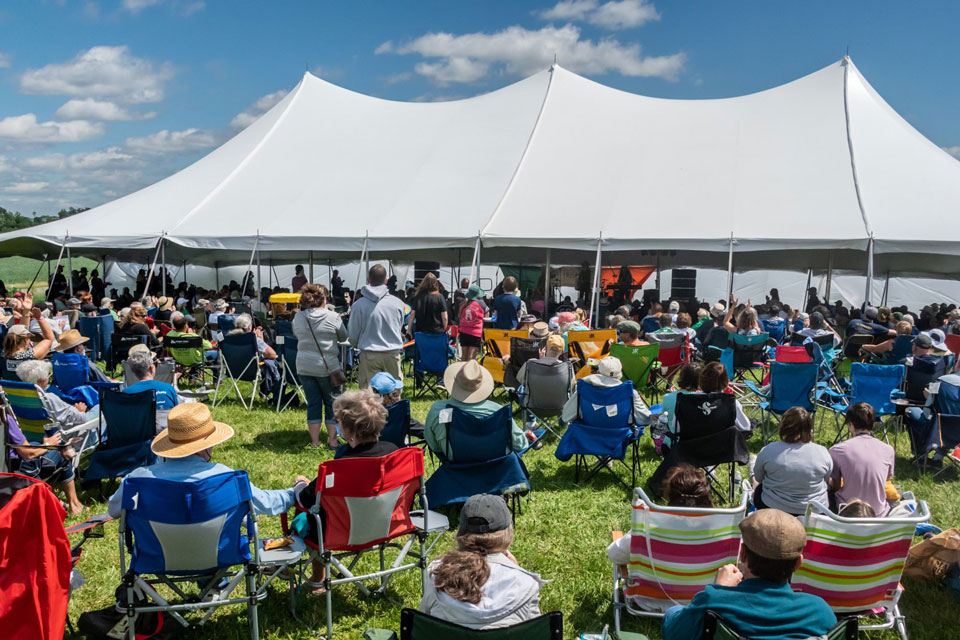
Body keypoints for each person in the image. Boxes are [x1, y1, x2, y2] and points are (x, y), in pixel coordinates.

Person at [661, 509, 836, 640]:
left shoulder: (713, 602)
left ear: (742, 554)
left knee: (674, 612)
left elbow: (674, 633)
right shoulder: (819, 611)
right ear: (798, 563)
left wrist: (719, 589)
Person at [108, 403, 301, 519]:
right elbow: (266, 504)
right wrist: (297, 491)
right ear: (206, 446)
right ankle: (218, 585)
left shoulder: (137, 480)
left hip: (155, 556)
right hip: (218, 555)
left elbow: (114, 509)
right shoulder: (226, 478)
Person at [294, 389, 399, 586]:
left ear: (349, 430)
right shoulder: (394, 453)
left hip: (340, 532)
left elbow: (307, 500)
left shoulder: (340, 466)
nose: (337, 424)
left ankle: (318, 577)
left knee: (307, 515)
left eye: (338, 421)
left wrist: (300, 484)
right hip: (386, 524)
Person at [420, 493, 544, 629]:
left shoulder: (436, 574)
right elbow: (537, 632)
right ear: (508, 534)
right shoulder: (526, 585)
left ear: (460, 533)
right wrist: (516, 571)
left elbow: (421, 625)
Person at [606, 464, 713, 569]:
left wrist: (634, 531)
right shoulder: (721, 533)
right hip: (706, 587)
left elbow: (615, 555)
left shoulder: (649, 528)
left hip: (652, 587)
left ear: (669, 496)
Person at [425, 360, 527, 461]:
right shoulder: (499, 411)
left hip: (457, 469)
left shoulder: (438, 410)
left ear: (454, 383)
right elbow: (521, 444)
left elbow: (434, 445)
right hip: (497, 470)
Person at [292, 284, 347, 449]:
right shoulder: (333, 317)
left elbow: (297, 334)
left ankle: (315, 442)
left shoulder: (298, 317)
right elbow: (343, 336)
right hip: (327, 367)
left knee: (313, 403)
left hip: (303, 366)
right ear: (324, 299)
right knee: (332, 404)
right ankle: (332, 441)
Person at [752, 408, 832, 516]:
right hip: (814, 512)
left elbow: (759, 478)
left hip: (772, 508)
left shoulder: (768, 450)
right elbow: (826, 479)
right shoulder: (823, 452)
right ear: (810, 429)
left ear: (783, 427)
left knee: (757, 485)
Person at [828, 402, 895, 516]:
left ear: (851, 424)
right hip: (879, 513)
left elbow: (836, 485)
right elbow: (887, 479)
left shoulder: (837, 450)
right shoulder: (888, 449)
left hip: (847, 512)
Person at [347, 264, 407, 388]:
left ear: (368, 279)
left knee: (368, 397)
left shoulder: (358, 305)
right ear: (386, 280)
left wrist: (355, 344)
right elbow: (399, 326)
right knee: (393, 394)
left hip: (369, 353)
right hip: (392, 353)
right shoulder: (398, 303)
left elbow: (352, 334)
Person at [561, 356, 651, 427]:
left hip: (588, 435)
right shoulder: (629, 392)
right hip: (619, 437)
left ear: (598, 371)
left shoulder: (584, 388)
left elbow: (566, 416)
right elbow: (644, 419)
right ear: (620, 374)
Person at [229, 313, 280, 397]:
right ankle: (270, 392)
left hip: (233, 370)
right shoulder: (254, 340)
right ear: (249, 326)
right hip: (251, 371)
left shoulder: (229, 338)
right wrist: (260, 340)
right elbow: (272, 354)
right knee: (271, 361)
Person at [655, 362, 702, 453]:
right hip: (695, 444)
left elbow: (662, 419)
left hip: (673, 442)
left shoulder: (668, 397)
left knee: (656, 419)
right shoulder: (702, 399)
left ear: (681, 376)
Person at [697, 362, 751, 432]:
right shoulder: (731, 402)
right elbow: (745, 427)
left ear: (701, 379)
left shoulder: (689, 401)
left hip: (693, 442)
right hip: (723, 441)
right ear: (726, 382)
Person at [370, 371, 425, 439]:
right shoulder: (398, 411)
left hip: (369, 448)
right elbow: (423, 431)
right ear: (391, 394)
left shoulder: (365, 414)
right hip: (397, 448)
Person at [458, 283, 486, 362]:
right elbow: (487, 315)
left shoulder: (463, 304)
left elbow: (459, 317)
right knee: (471, 358)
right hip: (475, 333)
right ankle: (469, 373)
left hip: (463, 332)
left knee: (464, 356)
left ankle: (461, 372)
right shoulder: (481, 303)